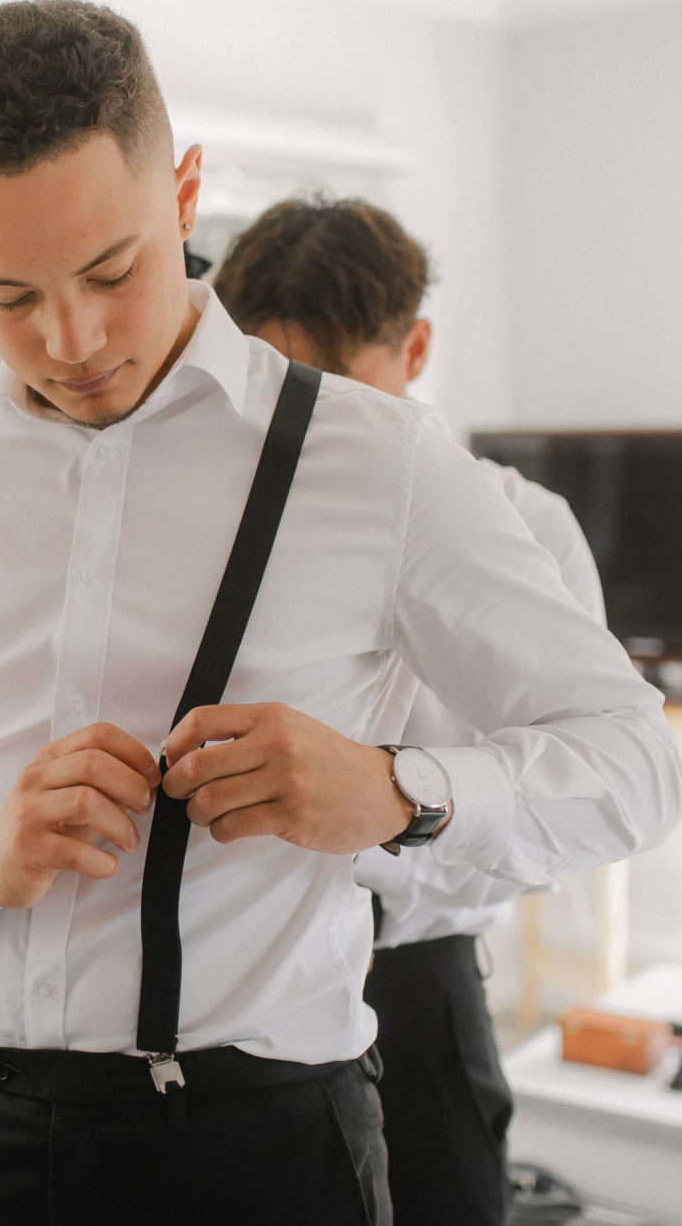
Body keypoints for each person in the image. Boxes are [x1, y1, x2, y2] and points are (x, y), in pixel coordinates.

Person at [0, 0, 682, 1225]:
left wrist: (396, 792)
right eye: (7, 294)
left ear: (183, 193)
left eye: (107, 270)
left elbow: (635, 764)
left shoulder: (377, 463)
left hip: (262, 1152)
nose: (68, 337)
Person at [214, 195, 611, 1226]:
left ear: (415, 346)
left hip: (419, 991)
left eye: (335, 386)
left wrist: (398, 808)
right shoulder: (209, 534)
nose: (304, 424)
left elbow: (574, 806)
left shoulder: (525, 531)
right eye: (276, 385)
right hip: (244, 1001)